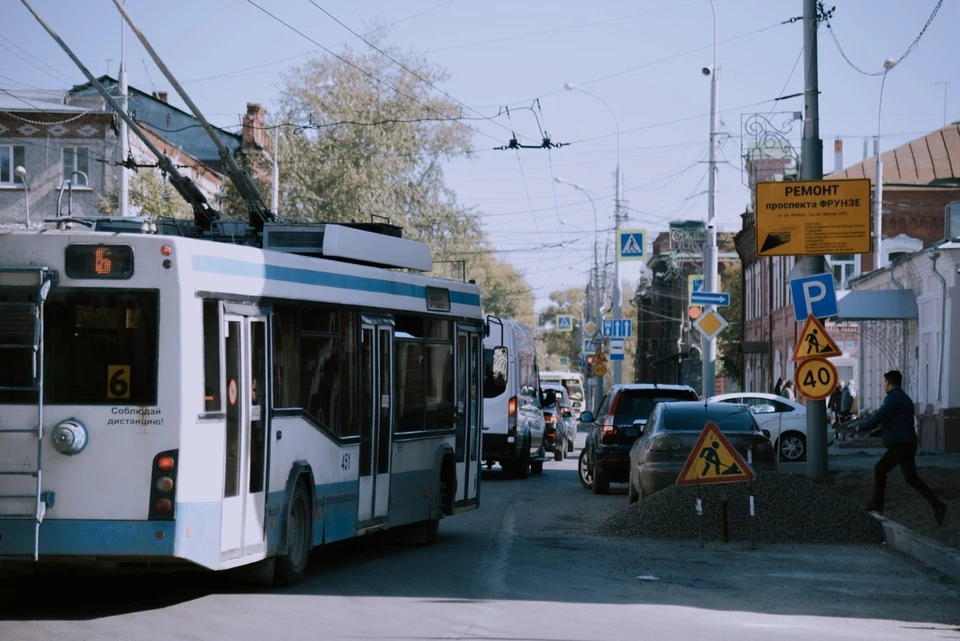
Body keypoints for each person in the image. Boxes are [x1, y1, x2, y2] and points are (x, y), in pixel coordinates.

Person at [858, 370, 948, 526]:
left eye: (884, 383)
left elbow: (879, 416)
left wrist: (862, 427)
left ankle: (938, 506)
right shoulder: (903, 398)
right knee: (881, 469)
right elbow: (895, 421)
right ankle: (878, 503)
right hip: (903, 444)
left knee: (911, 478)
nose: (883, 386)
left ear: (888, 383)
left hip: (901, 445)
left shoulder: (893, 398)